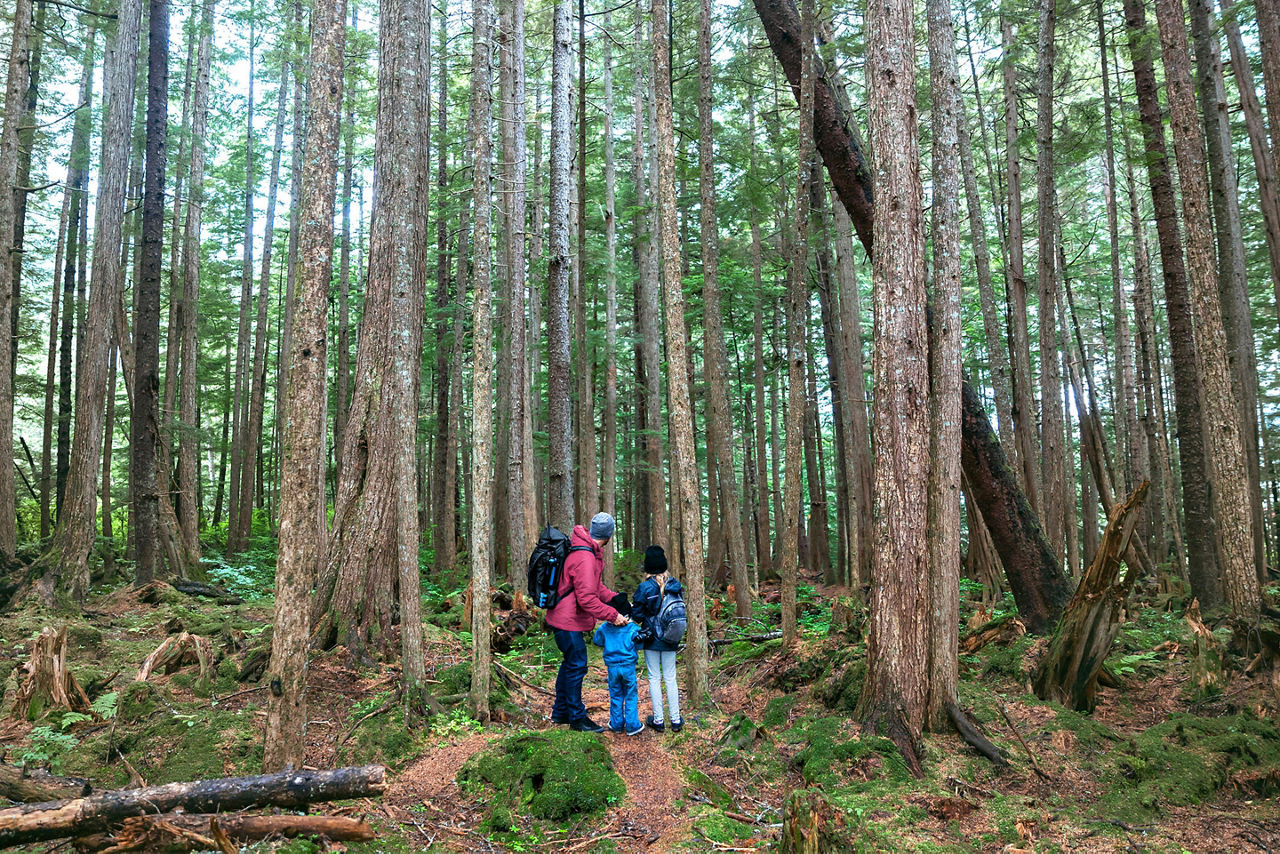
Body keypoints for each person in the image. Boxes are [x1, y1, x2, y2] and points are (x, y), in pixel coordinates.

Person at [544, 512, 627, 732]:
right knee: (577, 665)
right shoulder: (586, 557)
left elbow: (593, 587)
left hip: (563, 617)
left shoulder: (586, 550)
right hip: (566, 620)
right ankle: (577, 718)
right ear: (609, 535)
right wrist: (613, 615)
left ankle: (561, 712)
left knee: (570, 662)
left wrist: (613, 598)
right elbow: (587, 599)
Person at [632, 545, 684, 732]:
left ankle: (659, 721)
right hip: (671, 639)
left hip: (652, 639)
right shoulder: (675, 585)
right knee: (671, 678)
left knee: (654, 677)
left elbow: (637, 615)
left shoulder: (645, 587)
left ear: (647, 567)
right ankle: (676, 720)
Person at [592, 594, 645, 735]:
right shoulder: (633, 628)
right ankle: (633, 725)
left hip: (612, 668)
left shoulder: (604, 628)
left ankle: (616, 724)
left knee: (615, 694)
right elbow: (640, 645)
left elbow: (597, 641)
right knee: (631, 695)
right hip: (628, 667)